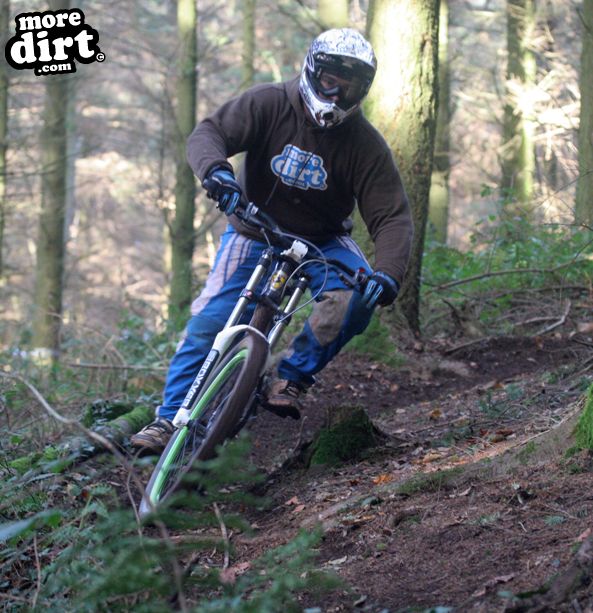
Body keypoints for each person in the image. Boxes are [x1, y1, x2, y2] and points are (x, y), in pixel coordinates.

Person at [131, 28, 413, 454]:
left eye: (349, 87)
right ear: (312, 72)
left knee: (355, 300)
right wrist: (217, 173)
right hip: (253, 227)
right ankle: (168, 420)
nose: (336, 95)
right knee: (209, 320)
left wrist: (388, 272)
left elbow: (391, 215)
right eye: (329, 82)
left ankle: (290, 377)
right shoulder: (269, 102)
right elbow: (210, 133)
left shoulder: (365, 145)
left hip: (323, 239)